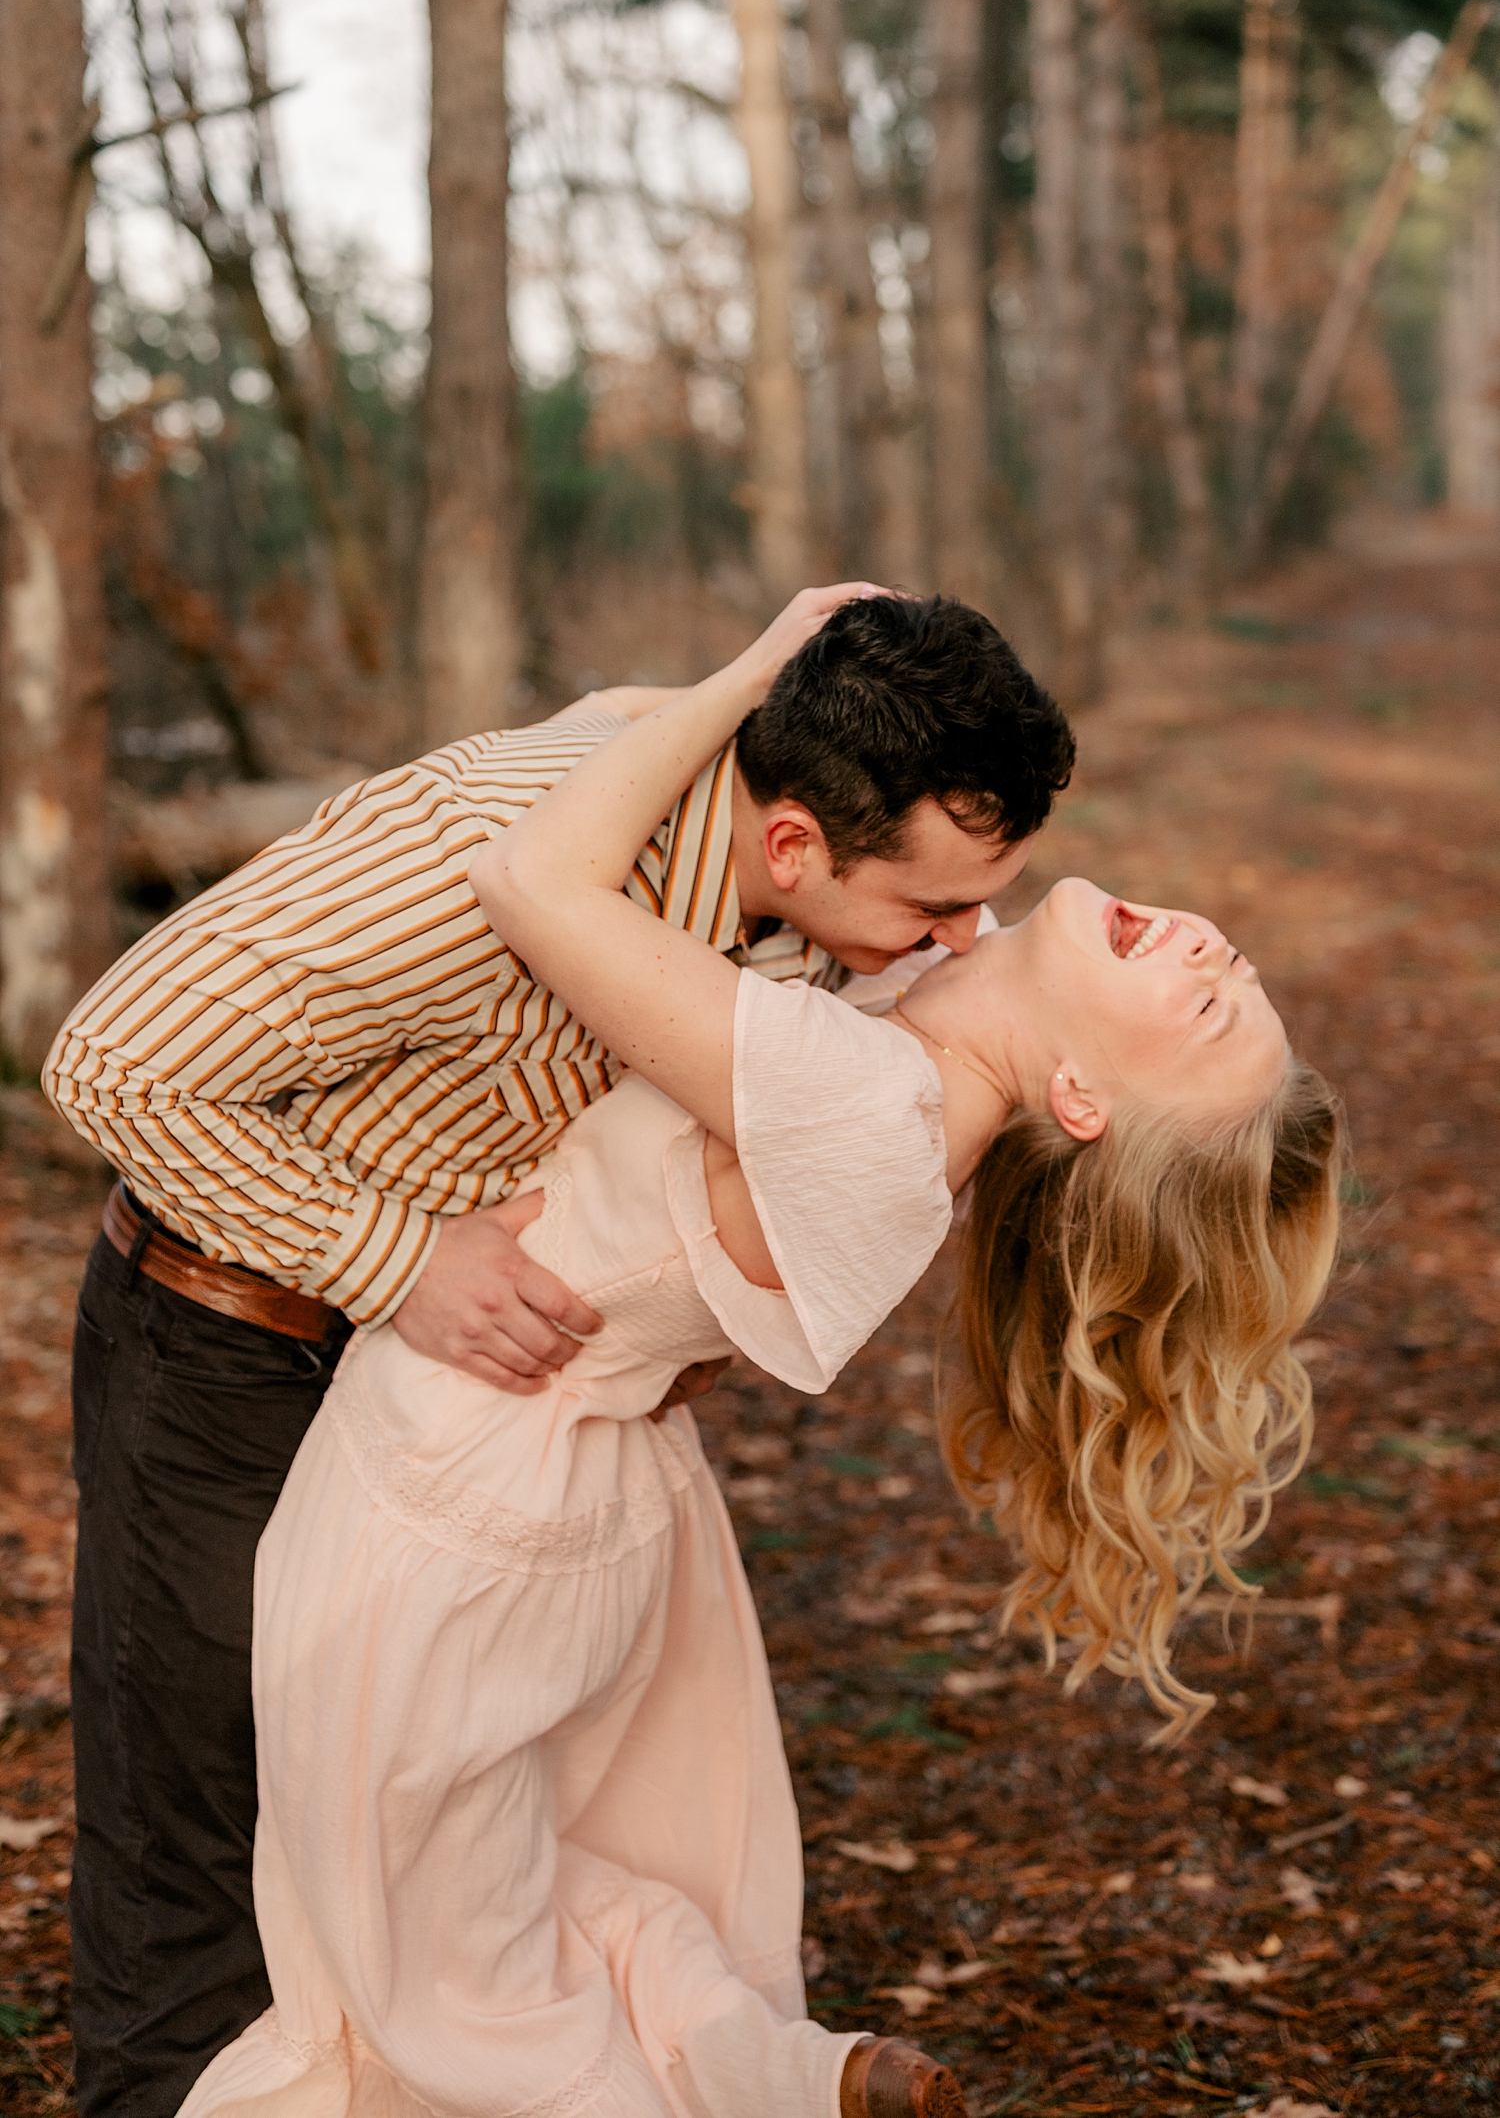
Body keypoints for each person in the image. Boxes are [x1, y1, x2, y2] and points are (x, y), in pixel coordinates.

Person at [171, 603, 1344, 2118]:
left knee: (418, 1998)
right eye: (1232, 964)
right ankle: (780, 2074)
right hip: (569, 1484)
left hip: (452, 1502)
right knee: (502, 1893)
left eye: (1204, 1004)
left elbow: (531, 876)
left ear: (1083, 1096)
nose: (1209, 946)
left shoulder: (866, 1105)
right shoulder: (925, 1021)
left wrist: (760, 672)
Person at [43, 588, 1076, 2118]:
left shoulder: (785, 899)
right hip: (229, 1343)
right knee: (203, 1841)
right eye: (932, 912)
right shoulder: (476, 853)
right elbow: (112, 1061)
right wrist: (397, 1260)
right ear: (793, 843)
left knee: (403, 1860)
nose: (957, 942)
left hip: (457, 1415)